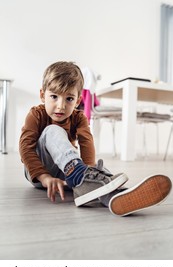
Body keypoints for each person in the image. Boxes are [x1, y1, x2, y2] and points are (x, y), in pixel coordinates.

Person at [19, 61, 172, 216]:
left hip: (66, 171)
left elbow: (86, 143)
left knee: (99, 170)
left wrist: (90, 170)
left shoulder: (79, 117)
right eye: (54, 97)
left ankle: (113, 195)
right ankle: (82, 177)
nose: (61, 106)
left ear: (78, 100)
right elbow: (25, 147)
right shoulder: (36, 114)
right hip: (39, 171)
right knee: (53, 130)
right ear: (42, 95)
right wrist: (44, 177)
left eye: (69, 99)